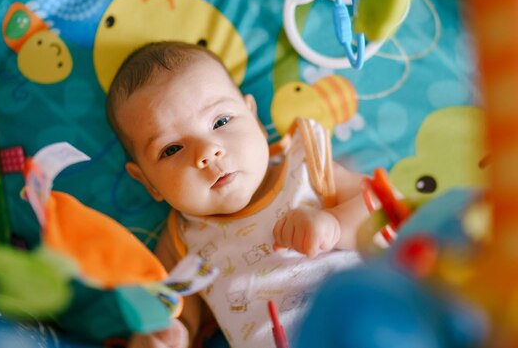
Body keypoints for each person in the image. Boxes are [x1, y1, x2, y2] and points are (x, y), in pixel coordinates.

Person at [106, 41, 373, 348]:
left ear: (255, 119)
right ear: (148, 183)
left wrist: (334, 225)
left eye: (220, 121)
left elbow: (381, 213)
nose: (207, 151)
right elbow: (171, 311)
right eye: (172, 149)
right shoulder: (182, 240)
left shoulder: (306, 170)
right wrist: (162, 336)